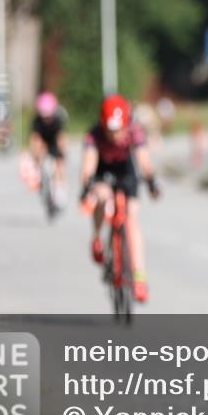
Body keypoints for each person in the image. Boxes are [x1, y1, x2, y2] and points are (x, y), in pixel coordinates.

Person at [79, 95, 160, 303]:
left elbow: (144, 161)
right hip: (103, 170)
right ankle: (97, 237)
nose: (115, 136)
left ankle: (139, 277)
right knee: (103, 197)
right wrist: (87, 186)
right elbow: (88, 166)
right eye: (110, 131)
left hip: (126, 172)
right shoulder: (94, 135)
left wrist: (151, 182)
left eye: (119, 130)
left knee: (132, 218)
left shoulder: (135, 131)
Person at [28, 92, 68, 205]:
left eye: (48, 116)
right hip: (43, 143)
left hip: (54, 143)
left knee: (60, 164)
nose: (46, 119)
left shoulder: (57, 121)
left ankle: (60, 189)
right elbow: (34, 138)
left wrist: (62, 153)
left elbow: (61, 138)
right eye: (44, 116)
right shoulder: (37, 122)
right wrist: (35, 156)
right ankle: (41, 176)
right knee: (39, 148)